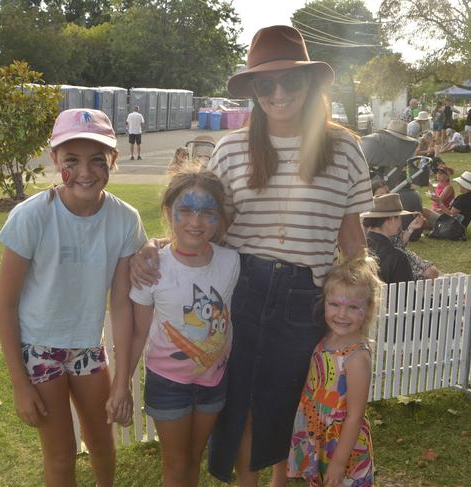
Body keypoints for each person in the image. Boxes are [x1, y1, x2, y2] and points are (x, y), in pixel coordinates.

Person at [131, 25, 372, 487]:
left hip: (307, 294)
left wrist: (359, 313)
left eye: (291, 81)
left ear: (310, 83)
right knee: (239, 406)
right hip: (239, 290)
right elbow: (201, 222)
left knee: (284, 405)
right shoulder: (232, 149)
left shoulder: (344, 148)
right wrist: (155, 246)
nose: (278, 93)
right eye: (265, 83)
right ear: (254, 91)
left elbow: (352, 238)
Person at [0, 109, 146, 487]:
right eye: (72, 160)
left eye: (98, 160)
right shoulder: (31, 216)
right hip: (40, 351)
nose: (85, 172)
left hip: (88, 350)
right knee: (60, 455)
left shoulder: (125, 219)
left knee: (102, 442)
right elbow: (5, 304)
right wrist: (19, 383)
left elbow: (122, 303)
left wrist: (122, 379)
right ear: (55, 160)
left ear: (113, 159)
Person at [126, 169, 240, 487]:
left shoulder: (232, 262)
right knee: (175, 466)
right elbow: (137, 332)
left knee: (193, 458)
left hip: (213, 382)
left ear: (219, 217)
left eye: (207, 212)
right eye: (186, 210)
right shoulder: (152, 268)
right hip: (168, 385)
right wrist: (121, 382)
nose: (196, 222)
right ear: (168, 211)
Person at [287, 255, 381, 487]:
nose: (341, 314)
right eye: (335, 304)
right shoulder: (325, 338)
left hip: (342, 445)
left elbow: (355, 416)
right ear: (324, 301)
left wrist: (339, 463)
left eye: (352, 307)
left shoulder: (356, 358)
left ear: (368, 309)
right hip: (319, 435)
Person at [371, 180, 439, 280]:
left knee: (433, 272)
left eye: (387, 193)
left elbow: (400, 242)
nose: (386, 197)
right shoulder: (372, 220)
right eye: (381, 195)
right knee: (427, 277)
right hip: (389, 260)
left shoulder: (393, 215)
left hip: (400, 253)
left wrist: (411, 228)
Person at [362, 194, 415, 284]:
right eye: (399, 217)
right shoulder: (398, 257)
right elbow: (405, 294)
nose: (401, 222)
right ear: (390, 220)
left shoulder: (358, 248)